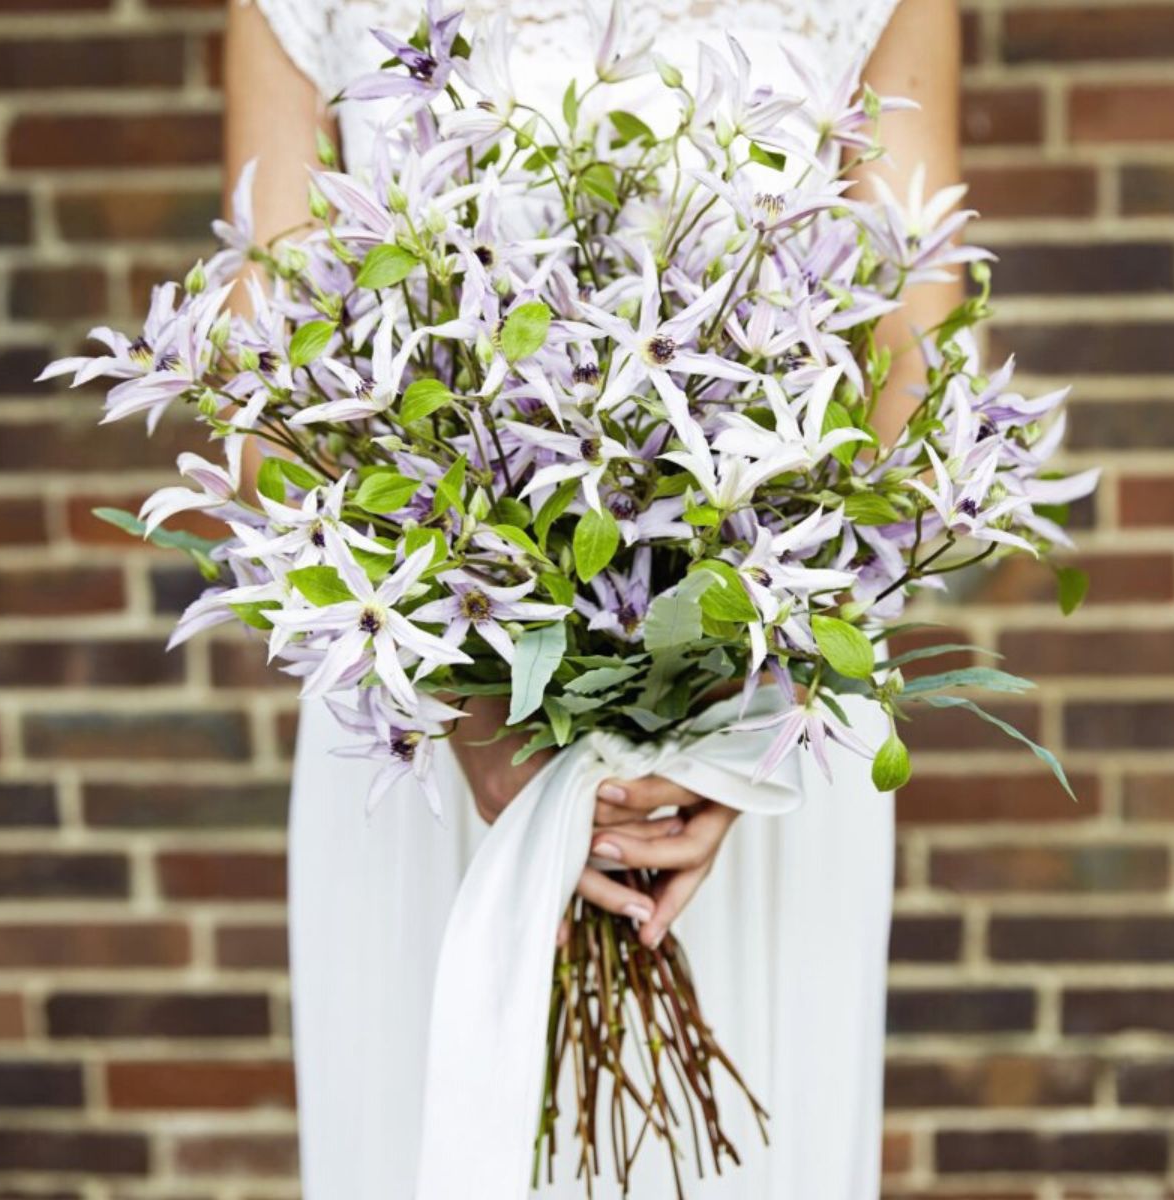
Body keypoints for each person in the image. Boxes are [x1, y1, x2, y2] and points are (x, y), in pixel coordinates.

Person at [224, 1, 961, 1195]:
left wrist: (743, 717)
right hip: (421, 717)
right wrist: (471, 701)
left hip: (763, 729)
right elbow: (267, 382)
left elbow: (912, 355)